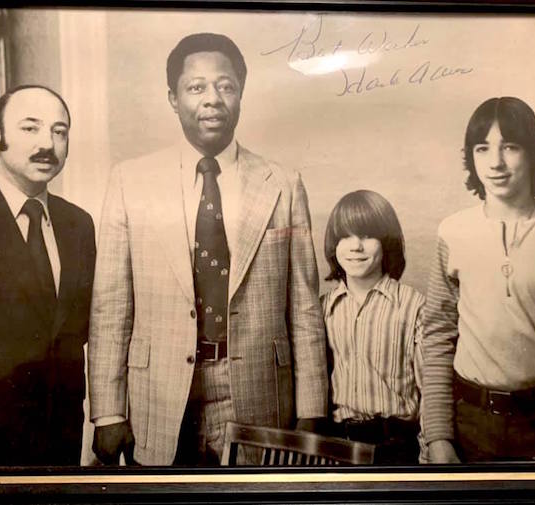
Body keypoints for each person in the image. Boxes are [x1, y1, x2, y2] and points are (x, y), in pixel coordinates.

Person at [88, 32, 328, 466]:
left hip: (258, 391)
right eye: (195, 87)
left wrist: (312, 408)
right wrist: (107, 410)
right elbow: (110, 305)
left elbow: (306, 308)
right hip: (157, 391)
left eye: (225, 85)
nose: (212, 99)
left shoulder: (283, 183)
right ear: (173, 98)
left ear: (241, 94)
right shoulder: (130, 182)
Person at [422, 97, 535, 463]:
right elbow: (437, 336)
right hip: (472, 425)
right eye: (482, 148)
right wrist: (438, 437)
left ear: (533, 152)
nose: (495, 163)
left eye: (510, 147)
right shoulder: (453, 232)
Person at [0, 85, 96, 466]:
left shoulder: (78, 224)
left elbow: (84, 327)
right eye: (30, 128)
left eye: (59, 132)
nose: (48, 143)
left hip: (61, 435)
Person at [321, 190, 426, 464]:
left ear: (387, 242)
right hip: (336, 447)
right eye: (345, 236)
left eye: (367, 236)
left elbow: (432, 394)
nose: (355, 246)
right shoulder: (322, 308)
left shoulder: (414, 306)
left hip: (397, 448)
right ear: (334, 244)